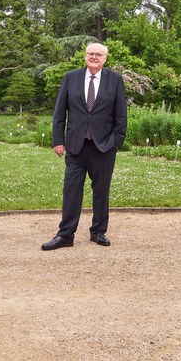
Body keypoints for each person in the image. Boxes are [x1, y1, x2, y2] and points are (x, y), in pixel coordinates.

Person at [41, 42, 127, 250]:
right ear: (85, 56)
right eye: (91, 53)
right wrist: (58, 140)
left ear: (105, 58)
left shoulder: (114, 80)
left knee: (101, 190)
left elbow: (121, 114)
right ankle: (65, 235)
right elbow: (60, 111)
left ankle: (98, 232)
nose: (94, 57)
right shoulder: (71, 77)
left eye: (98, 54)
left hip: (104, 146)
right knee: (71, 190)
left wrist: (116, 141)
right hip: (76, 145)